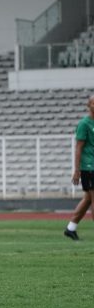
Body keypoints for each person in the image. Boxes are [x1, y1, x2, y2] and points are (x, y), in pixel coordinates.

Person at [65, 94, 94, 240]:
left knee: (88, 198)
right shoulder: (84, 124)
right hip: (89, 167)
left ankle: (70, 228)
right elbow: (78, 148)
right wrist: (77, 170)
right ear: (88, 105)